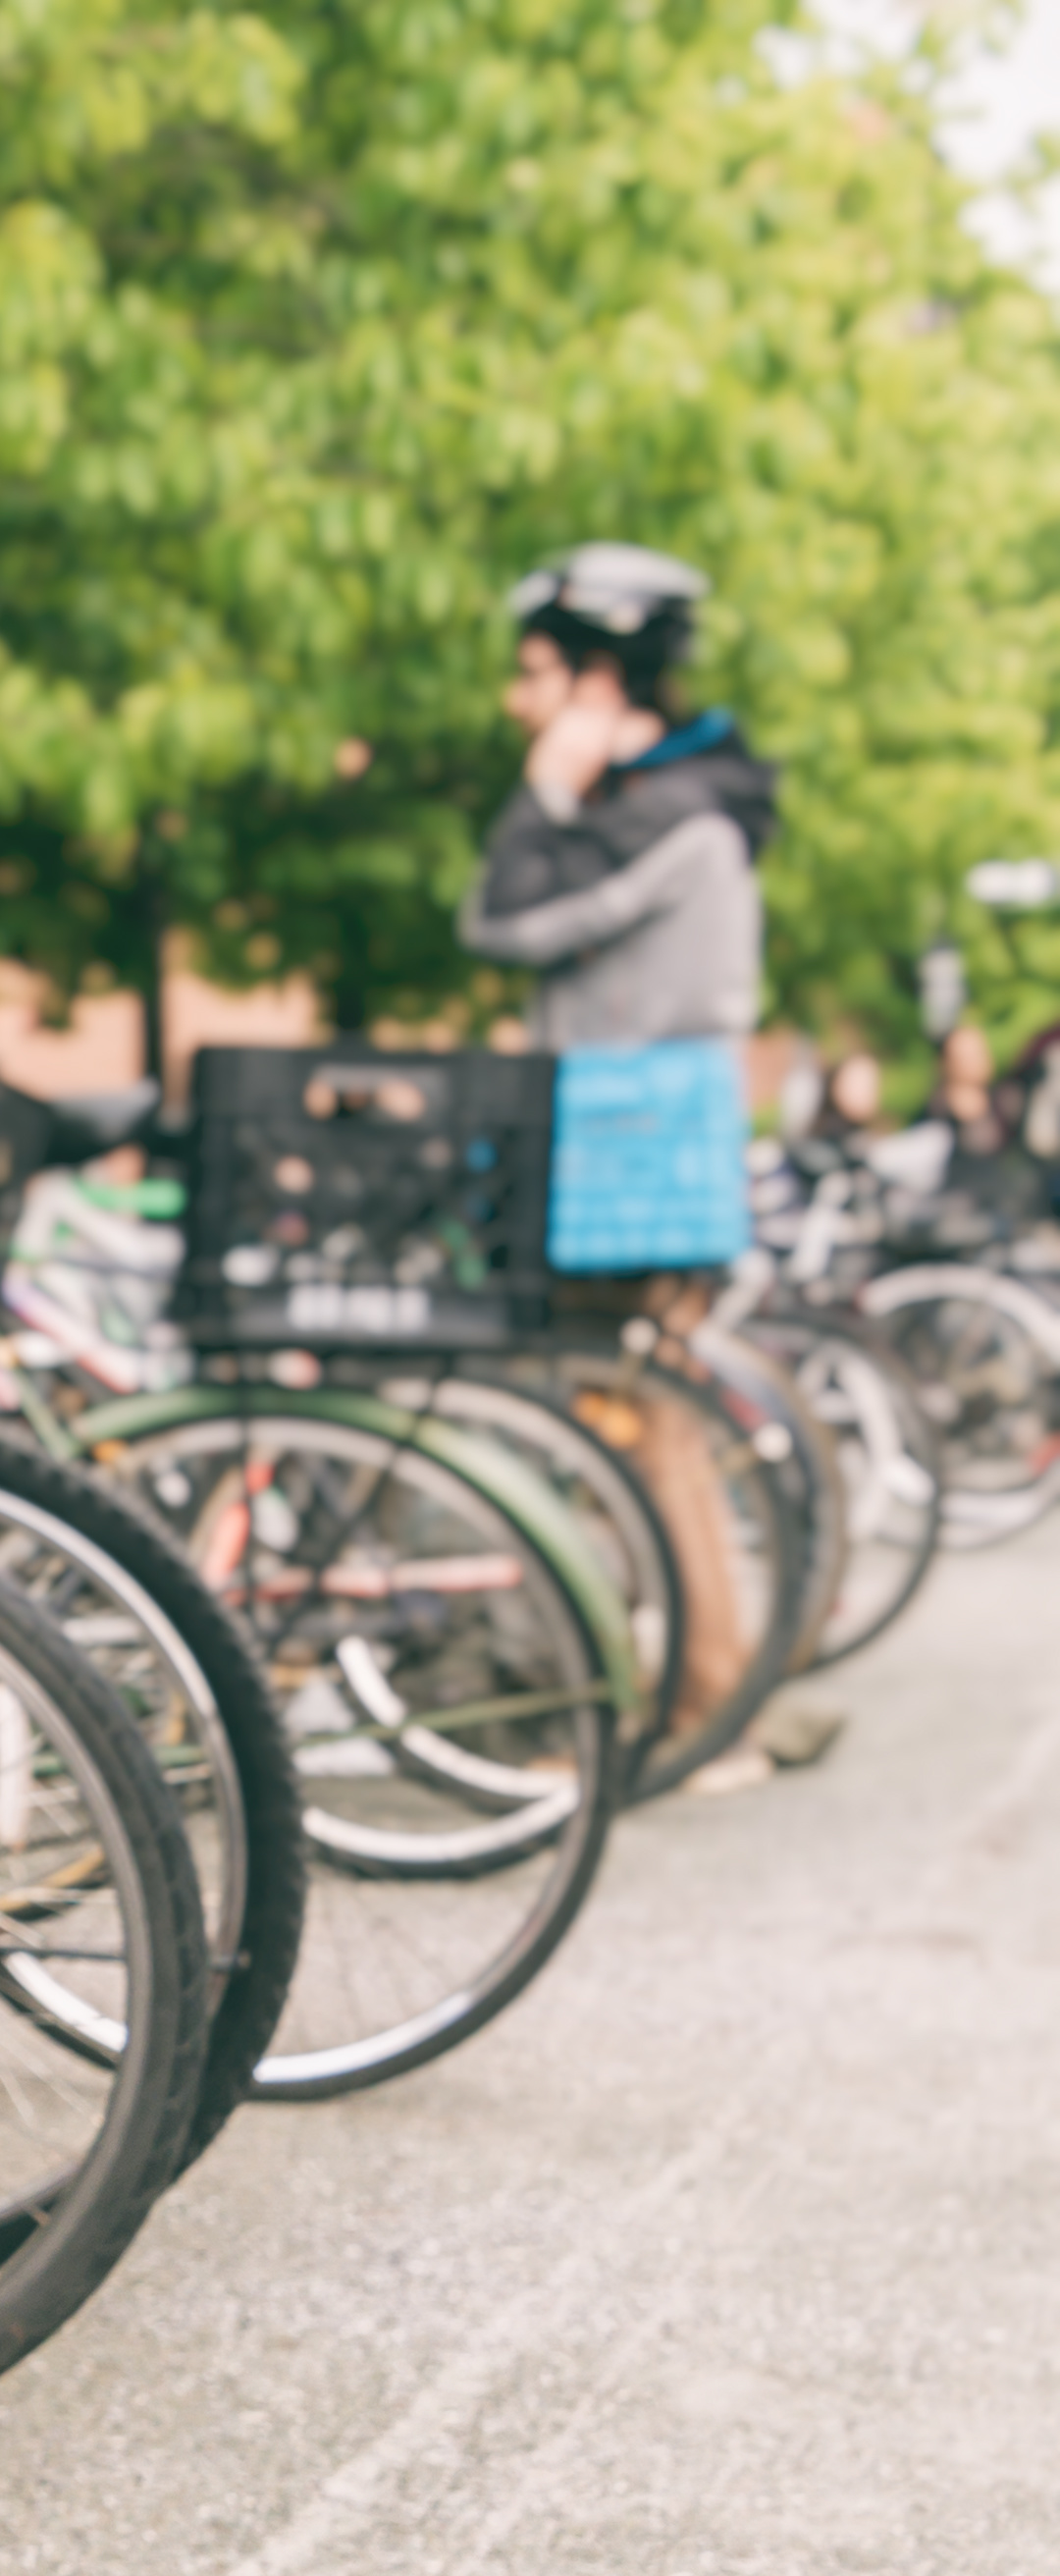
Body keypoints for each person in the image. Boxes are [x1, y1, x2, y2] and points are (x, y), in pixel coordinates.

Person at [455, 543, 827, 1779]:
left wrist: (545, 792)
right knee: (649, 1429)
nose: (518, 704)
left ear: (598, 682)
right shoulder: (688, 808)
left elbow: (498, 918)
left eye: (534, 676)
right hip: (656, 1156)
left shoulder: (647, 816)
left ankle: (697, 1713)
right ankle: (714, 1705)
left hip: (624, 1162)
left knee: (638, 1431)